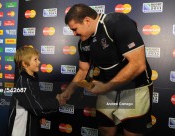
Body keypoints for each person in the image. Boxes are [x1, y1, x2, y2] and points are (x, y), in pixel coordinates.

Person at [60, 3, 153, 136]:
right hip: (108, 89)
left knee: (131, 133)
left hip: (134, 88)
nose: (74, 34)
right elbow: (83, 70)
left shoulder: (117, 22)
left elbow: (138, 64)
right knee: (105, 129)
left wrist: (105, 87)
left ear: (87, 21)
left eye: (75, 29)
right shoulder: (83, 42)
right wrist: (68, 91)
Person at [7, 46, 62, 136]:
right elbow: (38, 108)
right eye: (35, 59)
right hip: (20, 131)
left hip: (30, 127)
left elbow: (37, 100)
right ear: (24, 64)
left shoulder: (33, 77)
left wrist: (41, 116)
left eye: (38, 59)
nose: (39, 62)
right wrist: (57, 101)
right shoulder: (24, 83)